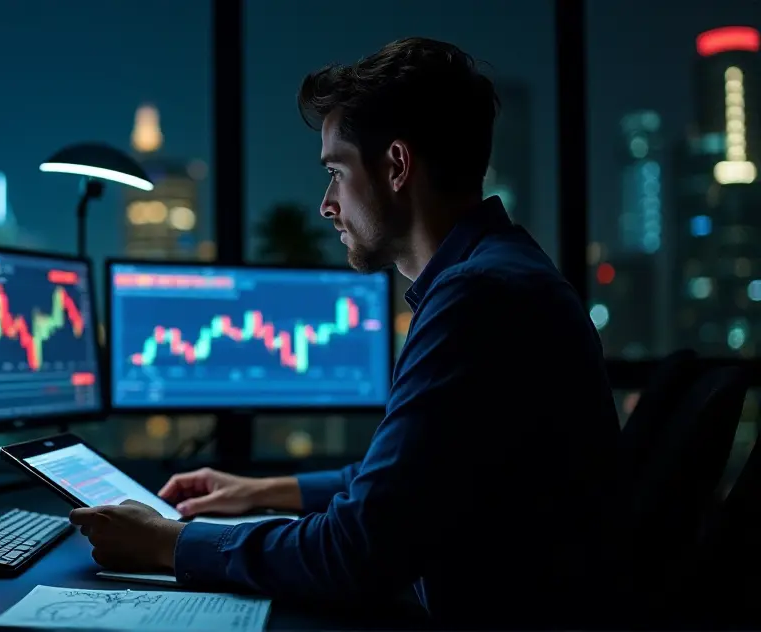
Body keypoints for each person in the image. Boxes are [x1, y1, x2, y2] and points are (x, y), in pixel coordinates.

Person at [69, 37, 620, 627]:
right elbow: (410, 477)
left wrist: (168, 545)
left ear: (397, 166)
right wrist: (260, 490)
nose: (327, 204)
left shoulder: (477, 298)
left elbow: (356, 553)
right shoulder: (499, 273)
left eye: (336, 172)